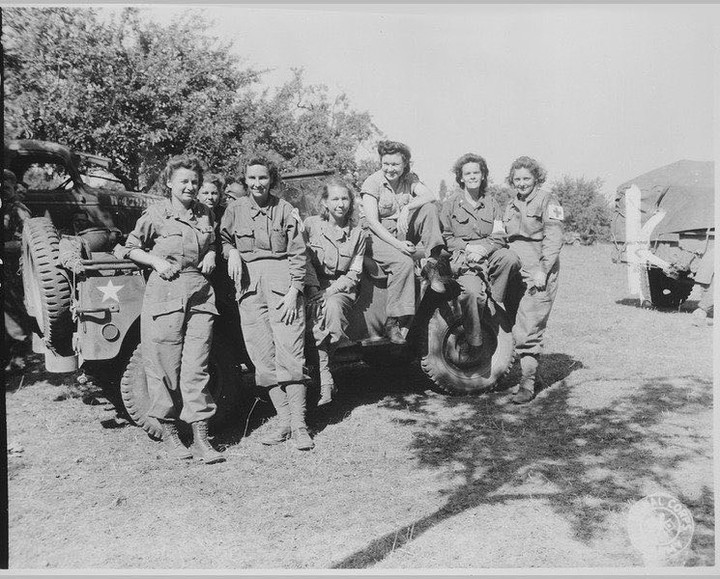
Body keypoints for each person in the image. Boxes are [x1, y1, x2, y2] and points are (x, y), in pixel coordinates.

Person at [118, 155, 224, 463]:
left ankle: (202, 440)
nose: (190, 186)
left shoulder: (206, 213)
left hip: (200, 294)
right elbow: (128, 247)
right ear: (169, 183)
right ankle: (171, 437)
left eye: (194, 181)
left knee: (197, 365)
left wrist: (213, 253)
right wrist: (155, 261)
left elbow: (212, 241)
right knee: (164, 364)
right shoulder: (156, 213)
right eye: (184, 182)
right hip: (166, 293)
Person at [220, 158, 314, 450]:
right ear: (245, 180)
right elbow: (222, 240)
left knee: (291, 354)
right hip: (249, 288)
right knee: (262, 357)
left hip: (281, 283)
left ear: (271, 180)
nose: (257, 183)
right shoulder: (234, 210)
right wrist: (232, 252)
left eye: (263, 178)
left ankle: (300, 426)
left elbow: (298, 253)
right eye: (252, 178)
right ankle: (284, 422)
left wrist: (294, 290)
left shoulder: (284, 209)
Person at [360, 140, 448, 344]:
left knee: (429, 209)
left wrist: (407, 208)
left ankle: (432, 265)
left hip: (402, 229)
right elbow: (373, 222)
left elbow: (430, 196)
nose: (390, 169)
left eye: (395, 165)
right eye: (386, 164)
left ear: (405, 164)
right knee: (404, 263)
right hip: (376, 235)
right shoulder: (372, 182)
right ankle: (393, 322)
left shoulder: (410, 179)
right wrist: (398, 245)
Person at [439, 154, 521, 359]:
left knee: (510, 258)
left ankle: (495, 301)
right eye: (468, 173)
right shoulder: (450, 204)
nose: (472, 176)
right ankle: (475, 341)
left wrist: (483, 249)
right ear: (460, 177)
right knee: (472, 294)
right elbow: (446, 237)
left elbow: (500, 235)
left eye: (476, 172)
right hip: (464, 259)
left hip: (488, 254)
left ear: (483, 175)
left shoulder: (492, 203)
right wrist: (468, 248)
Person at [503, 156, 564, 404]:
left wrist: (543, 269)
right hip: (514, 272)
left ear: (536, 178)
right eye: (517, 179)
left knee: (529, 328)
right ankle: (533, 375)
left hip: (537, 273)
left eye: (526, 178)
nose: (521, 183)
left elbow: (554, 237)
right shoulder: (509, 205)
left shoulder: (548, 201)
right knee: (515, 325)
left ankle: (527, 385)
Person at [304, 178, 366, 405]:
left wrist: (330, 290)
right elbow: (303, 259)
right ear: (325, 202)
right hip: (311, 284)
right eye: (335, 199)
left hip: (341, 288)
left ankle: (324, 377)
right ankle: (324, 379)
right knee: (306, 317)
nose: (340, 204)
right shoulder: (310, 225)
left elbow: (354, 272)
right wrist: (312, 288)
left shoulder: (358, 234)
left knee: (331, 311)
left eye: (345, 198)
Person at [2, 169, 33, 372]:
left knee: (16, 310)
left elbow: (29, 243)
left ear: (14, 187)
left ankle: (20, 355)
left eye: (6, 187)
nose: (3, 191)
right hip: (5, 268)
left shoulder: (18, 210)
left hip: (16, 269)